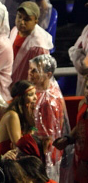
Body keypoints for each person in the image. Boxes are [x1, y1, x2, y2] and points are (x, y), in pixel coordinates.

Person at [28, 54, 69, 182]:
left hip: (45, 156)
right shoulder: (44, 93)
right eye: (30, 69)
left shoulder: (48, 101)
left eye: (35, 70)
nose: (30, 73)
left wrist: (30, 129)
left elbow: (47, 136)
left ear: (48, 74)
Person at [9, 2, 54, 86]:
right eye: (19, 17)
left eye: (27, 19)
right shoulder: (14, 31)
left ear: (36, 21)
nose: (21, 22)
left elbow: (41, 77)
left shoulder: (39, 46)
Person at [54, 79, 88, 181]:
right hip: (79, 162)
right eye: (87, 87)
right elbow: (80, 126)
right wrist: (67, 139)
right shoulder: (83, 104)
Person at [0, 80, 37, 159]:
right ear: (21, 98)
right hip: (2, 162)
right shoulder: (12, 115)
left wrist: (32, 125)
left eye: (35, 93)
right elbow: (22, 146)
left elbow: (33, 137)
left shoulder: (24, 116)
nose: (36, 97)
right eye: (31, 94)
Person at [68, 23, 88, 97]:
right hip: (83, 93)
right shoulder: (87, 29)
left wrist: (77, 54)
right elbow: (72, 51)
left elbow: (84, 67)